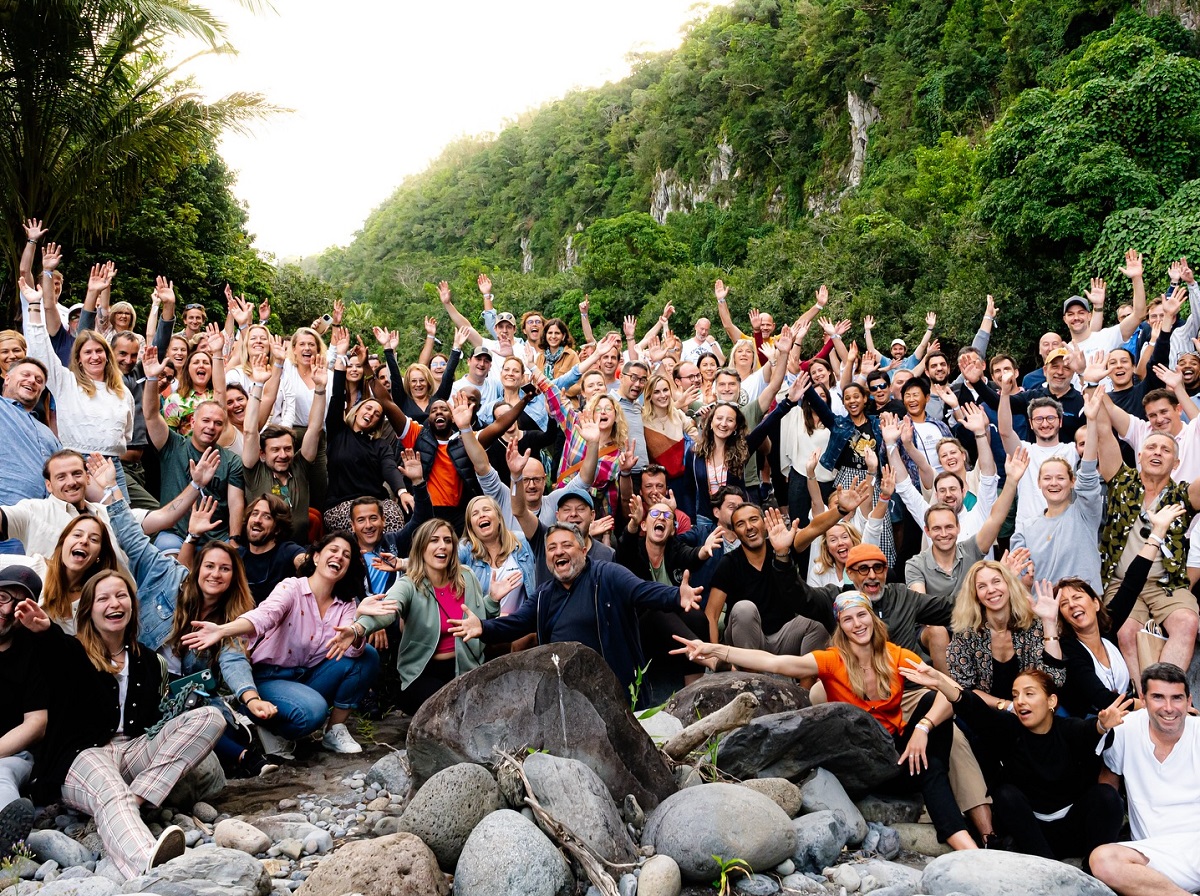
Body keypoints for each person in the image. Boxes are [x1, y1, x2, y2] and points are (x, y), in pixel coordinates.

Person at [671, 592, 976, 851]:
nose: (857, 624)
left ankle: (962, 840)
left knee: (930, 709)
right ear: (841, 627)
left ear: (872, 617)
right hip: (864, 762)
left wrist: (923, 728)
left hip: (901, 756)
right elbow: (774, 662)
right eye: (848, 619)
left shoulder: (895, 655)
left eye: (862, 615)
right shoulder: (832, 660)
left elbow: (947, 690)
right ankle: (963, 839)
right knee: (929, 766)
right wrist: (714, 648)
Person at [31, 569, 226, 879]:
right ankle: (148, 865)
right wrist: (43, 629)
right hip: (82, 757)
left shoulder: (147, 660)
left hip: (132, 752)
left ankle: (137, 798)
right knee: (110, 787)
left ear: (132, 606)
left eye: (121, 596)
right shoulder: (71, 652)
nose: (114, 603)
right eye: (103, 598)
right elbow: (53, 651)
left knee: (211, 716)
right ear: (88, 610)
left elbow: (155, 722)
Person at [900, 662, 1127, 866]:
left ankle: (1095, 868)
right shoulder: (1009, 729)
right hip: (1030, 835)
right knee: (1005, 794)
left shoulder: (1068, 729)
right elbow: (975, 709)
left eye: (1029, 694)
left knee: (1107, 796)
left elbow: (1088, 731)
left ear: (1051, 701)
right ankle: (1047, 868)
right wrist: (942, 684)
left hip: (1073, 829)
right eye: (1015, 695)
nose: (1020, 702)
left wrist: (1101, 726)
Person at [181, 533, 380, 757]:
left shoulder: (346, 603)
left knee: (367, 656)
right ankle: (259, 719)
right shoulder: (291, 588)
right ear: (316, 557)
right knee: (312, 712)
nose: (339, 557)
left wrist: (357, 627)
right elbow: (264, 616)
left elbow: (351, 650)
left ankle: (334, 729)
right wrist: (221, 630)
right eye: (333, 550)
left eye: (346, 555)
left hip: (309, 676)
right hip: (270, 677)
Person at [450, 522, 704, 691]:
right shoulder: (544, 595)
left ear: (583, 550)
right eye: (552, 548)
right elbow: (516, 623)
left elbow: (640, 590)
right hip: (566, 687)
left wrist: (674, 595)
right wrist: (483, 626)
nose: (559, 551)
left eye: (566, 545)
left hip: (614, 684)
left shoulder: (608, 574)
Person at [329, 519, 498, 716]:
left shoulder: (466, 577)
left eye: (447, 540)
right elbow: (388, 611)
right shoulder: (408, 584)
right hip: (423, 672)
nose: (442, 545)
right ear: (421, 547)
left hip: (466, 667)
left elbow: (481, 619)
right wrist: (358, 628)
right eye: (433, 540)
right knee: (451, 710)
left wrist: (493, 600)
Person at [1092, 393, 1200, 688]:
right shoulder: (1120, 480)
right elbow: (1103, 432)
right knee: (1125, 632)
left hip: (1167, 585)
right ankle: (1145, 698)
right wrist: (1092, 384)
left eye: (1166, 450)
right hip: (1122, 582)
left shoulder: (1184, 494)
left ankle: (1166, 692)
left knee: (1188, 622)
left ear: (1176, 462)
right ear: (1139, 454)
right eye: (1151, 446)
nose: (1157, 452)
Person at [1055, 503, 1183, 718]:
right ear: (1063, 617)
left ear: (1096, 603)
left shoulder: (1108, 627)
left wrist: (1157, 533)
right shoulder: (1068, 647)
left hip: (1129, 714)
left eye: (1077, 597)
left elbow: (1133, 581)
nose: (1073, 605)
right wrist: (1151, 706)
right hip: (1091, 725)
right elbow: (1101, 699)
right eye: (1064, 604)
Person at [1090, 663, 1200, 896]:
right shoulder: (1125, 729)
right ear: (1143, 698)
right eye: (1158, 697)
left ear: (1189, 700)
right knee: (1102, 859)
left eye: (1177, 698)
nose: (1169, 708)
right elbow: (1107, 787)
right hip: (1153, 856)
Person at [22, 282, 135, 489]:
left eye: (99, 351)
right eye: (88, 352)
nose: (95, 357)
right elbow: (42, 352)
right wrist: (34, 306)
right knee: (79, 519)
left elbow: (127, 433)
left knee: (119, 519)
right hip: (75, 463)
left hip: (113, 465)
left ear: (108, 356)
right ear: (79, 359)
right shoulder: (66, 382)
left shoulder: (122, 392)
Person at [143, 347, 244, 549]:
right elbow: (151, 415)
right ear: (193, 421)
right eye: (206, 420)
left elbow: (235, 503)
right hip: (175, 534)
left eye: (217, 423)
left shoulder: (231, 460)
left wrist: (234, 540)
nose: (211, 427)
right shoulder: (172, 444)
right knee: (170, 568)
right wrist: (152, 380)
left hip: (217, 537)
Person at [1010, 389, 1105, 591]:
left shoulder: (1085, 513)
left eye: (1061, 477)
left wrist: (1093, 420)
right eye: (1047, 478)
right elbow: (1022, 579)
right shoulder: (1026, 529)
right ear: (1039, 483)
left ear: (1072, 481)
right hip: (1044, 610)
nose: (1054, 483)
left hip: (1085, 605)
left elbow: (1088, 472)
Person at [0, 513, 120, 634]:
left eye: (94, 539)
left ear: (99, 555)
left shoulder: (95, 597)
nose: (84, 541)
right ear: (63, 543)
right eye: (77, 535)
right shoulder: (34, 566)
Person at [0, 565, 48, 856]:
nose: (6, 610)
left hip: (15, 755)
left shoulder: (33, 652)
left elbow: (37, 723)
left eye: (18, 605)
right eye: (2, 597)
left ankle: (5, 838)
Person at [0, 358, 61, 507]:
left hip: (44, 519)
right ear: (7, 379)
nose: (32, 381)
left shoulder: (49, 434)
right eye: (25, 375)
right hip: (6, 512)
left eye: (39, 380)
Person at [235, 494, 307, 604]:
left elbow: (304, 560)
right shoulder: (236, 556)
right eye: (254, 514)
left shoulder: (287, 551)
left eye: (267, 517)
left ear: (278, 528)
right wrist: (197, 535)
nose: (257, 520)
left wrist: (308, 563)